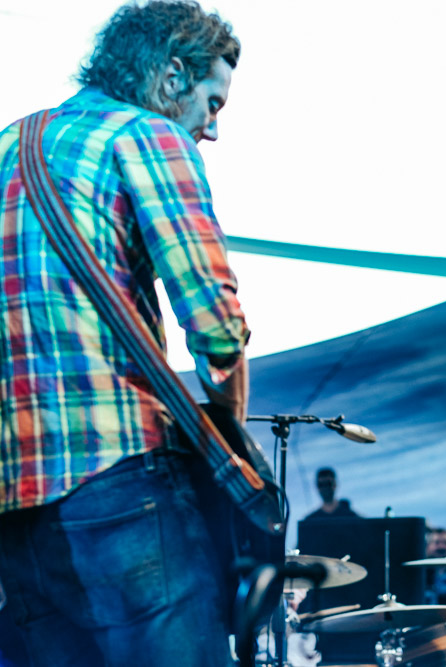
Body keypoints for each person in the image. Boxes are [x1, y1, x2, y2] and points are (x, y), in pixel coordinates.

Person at [0, 3, 248, 666]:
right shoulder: (148, 136)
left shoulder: (4, 149)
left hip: (15, 509)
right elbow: (217, 329)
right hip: (121, 483)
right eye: (213, 101)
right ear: (172, 75)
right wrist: (231, 434)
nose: (213, 128)